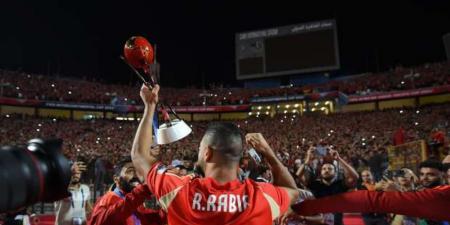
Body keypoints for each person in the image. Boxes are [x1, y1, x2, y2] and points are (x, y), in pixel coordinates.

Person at [131, 84, 299, 225]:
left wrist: (149, 106)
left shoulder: (178, 191)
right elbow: (292, 190)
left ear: (207, 153)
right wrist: (268, 152)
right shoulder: (261, 197)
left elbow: (139, 156)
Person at [88, 158, 164, 225]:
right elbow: (102, 221)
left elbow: (151, 219)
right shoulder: (106, 200)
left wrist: (167, 208)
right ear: (116, 179)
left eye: (138, 171)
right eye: (130, 171)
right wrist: (141, 192)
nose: (136, 175)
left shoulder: (135, 202)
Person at [296, 146, 359, 225]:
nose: (326, 170)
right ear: (320, 173)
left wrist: (339, 159)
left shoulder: (340, 184)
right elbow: (298, 176)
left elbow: (355, 177)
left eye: (330, 169)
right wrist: (308, 159)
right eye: (324, 169)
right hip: (317, 221)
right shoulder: (315, 184)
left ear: (335, 172)